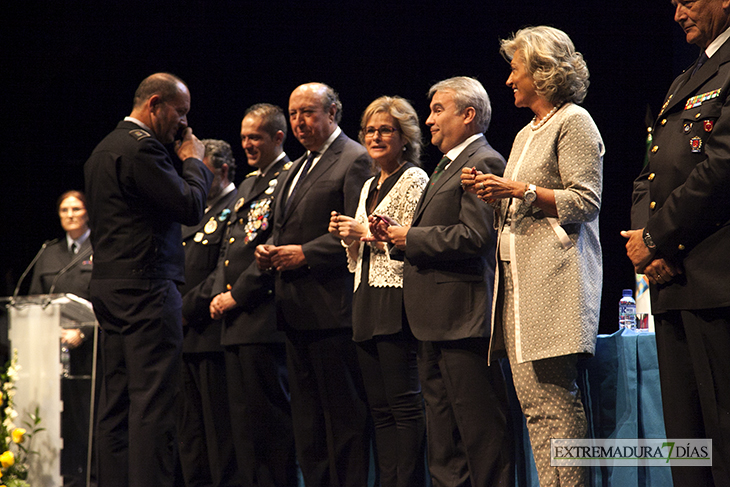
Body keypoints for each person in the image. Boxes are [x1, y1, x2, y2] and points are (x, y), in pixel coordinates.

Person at [462, 27, 604, 486]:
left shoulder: (574, 120)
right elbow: (524, 202)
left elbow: (585, 201)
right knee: (538, 413)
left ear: (542, 74)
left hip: (554, 286)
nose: (508, 81)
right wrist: (493, 193)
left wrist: (517, 188)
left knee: (556, 407)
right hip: (520, 290)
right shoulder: (526, 134)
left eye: (515, 70)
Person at [375, 76, 514, 486]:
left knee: (481, 436)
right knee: (445, 438)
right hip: (434, 321)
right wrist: (400, 235)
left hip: (462, 320)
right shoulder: (448, 163)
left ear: (468, 115)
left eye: (439, 110)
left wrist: (410, 236)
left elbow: (476, 237)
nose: (429, 120)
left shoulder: (483, 161)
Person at [84, 72, 213, 487]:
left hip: (110, 289)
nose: (183, 124)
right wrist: (194, 160)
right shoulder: (143, 151)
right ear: (155, 104)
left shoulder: (101, 150)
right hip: (147, 289)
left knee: (116, 405)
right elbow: (191, 205)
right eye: (180, 113)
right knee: (154, 402)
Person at [622, 1, 730, 484]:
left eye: (687, 1)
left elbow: (720, 169)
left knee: (721, 436)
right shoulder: (686, 78)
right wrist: (647, 247)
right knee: (686, 445)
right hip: (669, 281)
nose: (677, 13)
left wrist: (656, 238)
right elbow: (648, 173)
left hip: (714, 279)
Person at [254, 82, 373, 487]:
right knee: (308, 422)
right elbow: (284, 227)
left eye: (308, 112)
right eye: (294, 114)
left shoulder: (355, 159)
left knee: (343, 418)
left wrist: (305, 253)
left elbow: (357, 228)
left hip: (333, 309)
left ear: (333, 112)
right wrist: (270, 250)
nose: (299, 122)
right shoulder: (294, 167)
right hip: (294, 310)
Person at [328, 96, 428, 487]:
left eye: (385, 129)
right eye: (370, 130)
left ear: (404, 137)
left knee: (404, 405)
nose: (376, 136)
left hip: (396, 297)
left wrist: (363, 234)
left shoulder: (414, 179)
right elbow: (358, 250)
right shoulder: (370, 183)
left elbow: (407, 240)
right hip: (366, 297)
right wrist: (348, 237)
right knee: (380, 409)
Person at [207, 104, 297, 486]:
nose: (247, 144)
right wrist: (217, 293)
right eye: (244, 137)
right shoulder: (248, 184)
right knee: (242, 427)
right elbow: (229, 249)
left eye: (255, 137)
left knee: (269, 424)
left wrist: (236, 295)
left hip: (262, 316)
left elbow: (274, 242)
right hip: (235, 322)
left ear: (278, 137)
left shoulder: (288, 178)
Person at [178, 139, 238, 487]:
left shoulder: (235, 204)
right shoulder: (194, 209)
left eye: (204, 171)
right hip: (182, 336)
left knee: (220, 436)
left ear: (223, 171)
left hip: (211, 333)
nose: (196, 179)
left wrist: (185, 309)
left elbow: (222, 270)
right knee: (190, 436)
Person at [29, 189, 95, 487]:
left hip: (91, 356)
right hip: (51, 354)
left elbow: (110, 303)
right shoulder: (48, 252)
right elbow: (32, 300)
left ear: (87, 212)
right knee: (58, 422)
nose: (70, 214)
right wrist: (47, 329)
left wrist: (84, 331)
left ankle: (91, 478)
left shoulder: (101, 249)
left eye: (76, 209)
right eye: (64, 210)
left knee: (87, 422)